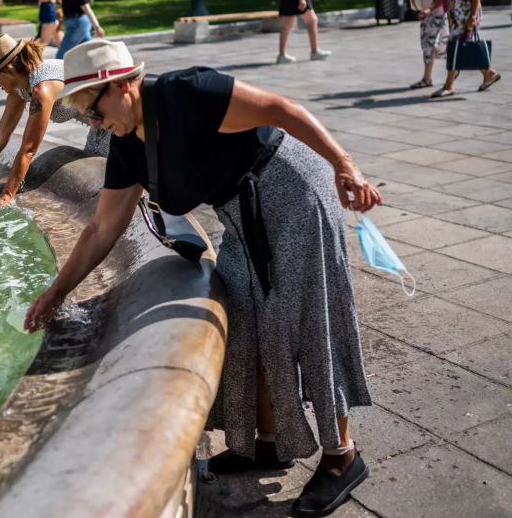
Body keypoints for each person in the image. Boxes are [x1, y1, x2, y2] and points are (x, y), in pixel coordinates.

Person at [26, 39, 381, 516]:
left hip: (290, 188)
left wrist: (346, 165)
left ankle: (343, 456)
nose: (93, 124)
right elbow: (101, 228)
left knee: (304, 318)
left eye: (93, 109)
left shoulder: (186, 93)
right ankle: (267, 441)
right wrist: (56, 293)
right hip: (240, 211)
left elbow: (283, 109)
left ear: (123, 86)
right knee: (240, 319)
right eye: (86, 116)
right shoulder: (127, 147)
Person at [0, 35, 109, 209]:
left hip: (114, 118)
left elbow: (29, 149)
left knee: (116, 178)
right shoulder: (19, 90)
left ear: (9, 69)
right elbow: (0, 135)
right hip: (98, 125)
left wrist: (8, 194)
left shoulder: (41, 89)